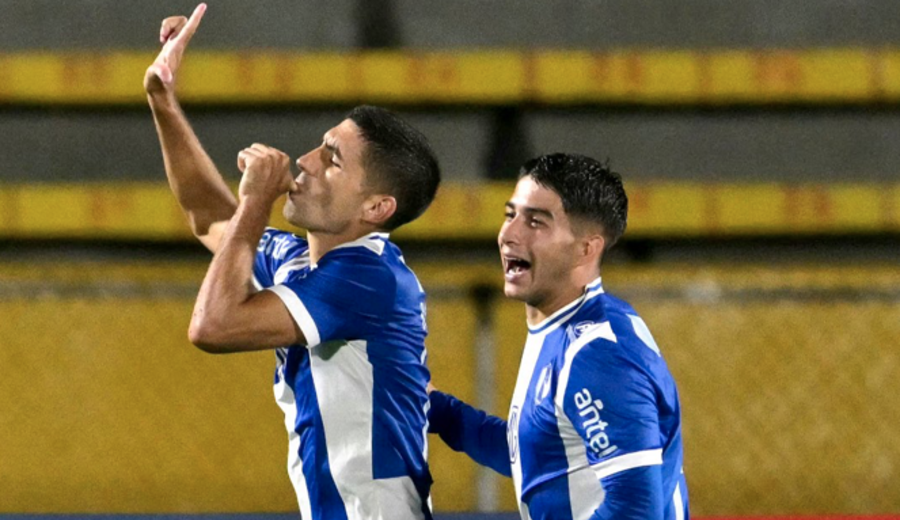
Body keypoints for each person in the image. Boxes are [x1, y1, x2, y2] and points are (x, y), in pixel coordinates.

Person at [143, 5, 441, 519]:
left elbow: (213, 326)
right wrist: (163, 100)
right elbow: (209, 216)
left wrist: (257, 202)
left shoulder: (369, 277)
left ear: (376, 208)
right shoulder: (306, 264)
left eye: (332, 159)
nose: (305, 161)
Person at [428, 153, 689, 520]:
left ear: (586, 248)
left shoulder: (597, 354)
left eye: (535, 222)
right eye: (510, 215)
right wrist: (438, 410)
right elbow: (541, 453)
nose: (509, 234)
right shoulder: (564, 328)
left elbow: (635, 511)